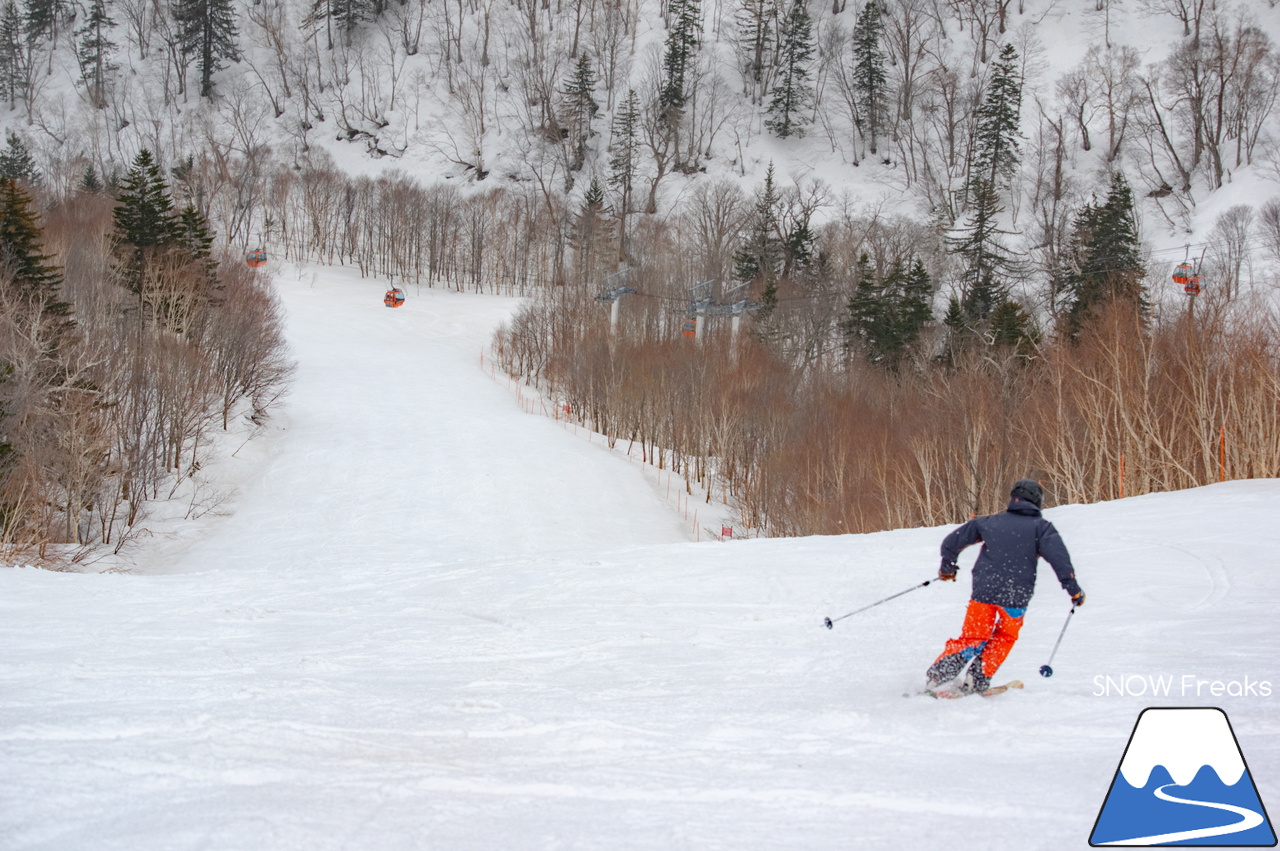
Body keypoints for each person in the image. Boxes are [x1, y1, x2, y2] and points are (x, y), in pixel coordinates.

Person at [926, 478, 1085, 694]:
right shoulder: (1042, 528)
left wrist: (948, 569)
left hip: (984, 592)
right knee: (1005, 636)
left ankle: (938, 676)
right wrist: (1073, 590)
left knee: (974, 636)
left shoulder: (989, 522)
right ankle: (978, 677)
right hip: (1016, 596)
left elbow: (951, 543)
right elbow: (1060, 560)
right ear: (1037, 502)